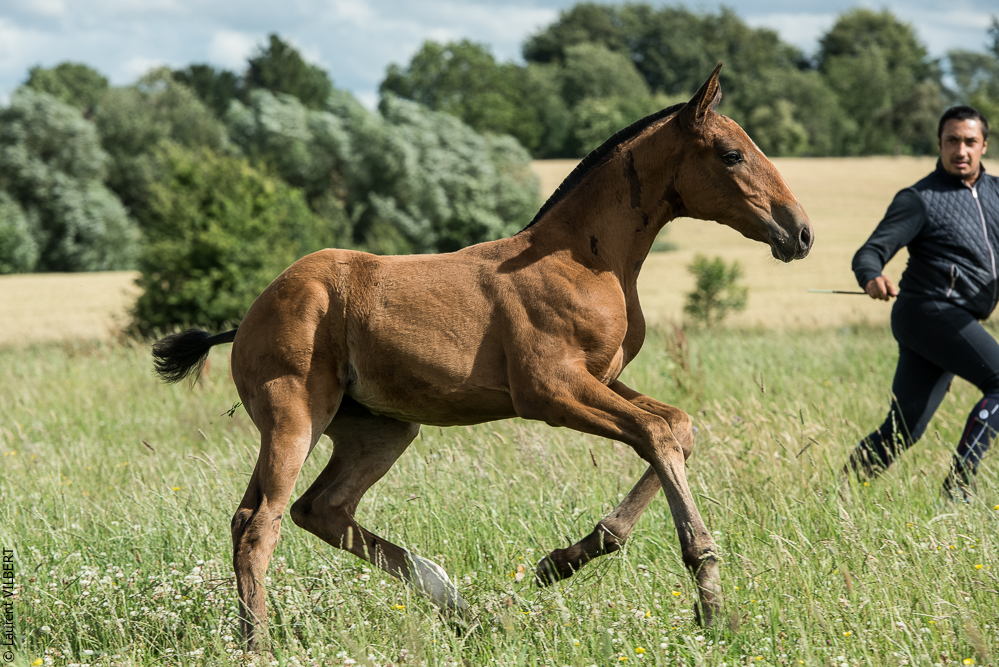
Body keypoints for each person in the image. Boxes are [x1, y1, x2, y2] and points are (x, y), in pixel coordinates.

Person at [845, 105, 999, 499]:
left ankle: (842, 491)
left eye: (969, 141)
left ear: (984, 145)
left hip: (954, 318)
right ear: (939, 144)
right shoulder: (920, 199)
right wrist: (872, 276)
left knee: (906, 426)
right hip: (925, 311)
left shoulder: (997, 193)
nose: (960, 150)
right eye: (952, 141)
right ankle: (959, 484)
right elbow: (869, 252)